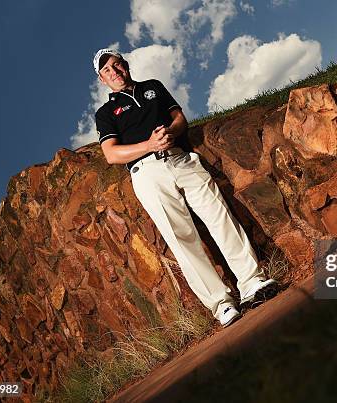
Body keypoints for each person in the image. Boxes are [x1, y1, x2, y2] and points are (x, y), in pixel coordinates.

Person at [93, 48, 277, 327]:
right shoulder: (106, 112)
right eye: (107, 70)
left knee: (219, 216)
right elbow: (111, 154)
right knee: (182, 237)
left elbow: (179, 118)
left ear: (125, 65)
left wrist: (170, 132)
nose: (114, 72)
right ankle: (222, 304)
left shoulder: (152, 87)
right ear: (102, 79)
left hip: (181, 159)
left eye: (117, 65)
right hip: (147, 173)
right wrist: (149, 145)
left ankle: (253, 282)